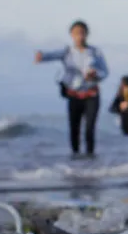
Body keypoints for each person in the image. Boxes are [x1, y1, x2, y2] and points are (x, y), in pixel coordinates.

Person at [36, 20, 109, 157]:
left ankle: (90, 158)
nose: (79, 36)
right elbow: (51, 55)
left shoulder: (95, 52)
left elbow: (105, 72)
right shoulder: (67, 52)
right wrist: (41, 56)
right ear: (71, 35)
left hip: (92, 95)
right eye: (76, 33)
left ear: (87, 34)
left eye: (82, 33)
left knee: (89, 130)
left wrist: (95, 75)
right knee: (74, 130)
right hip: (74, 95)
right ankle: (75, 159)